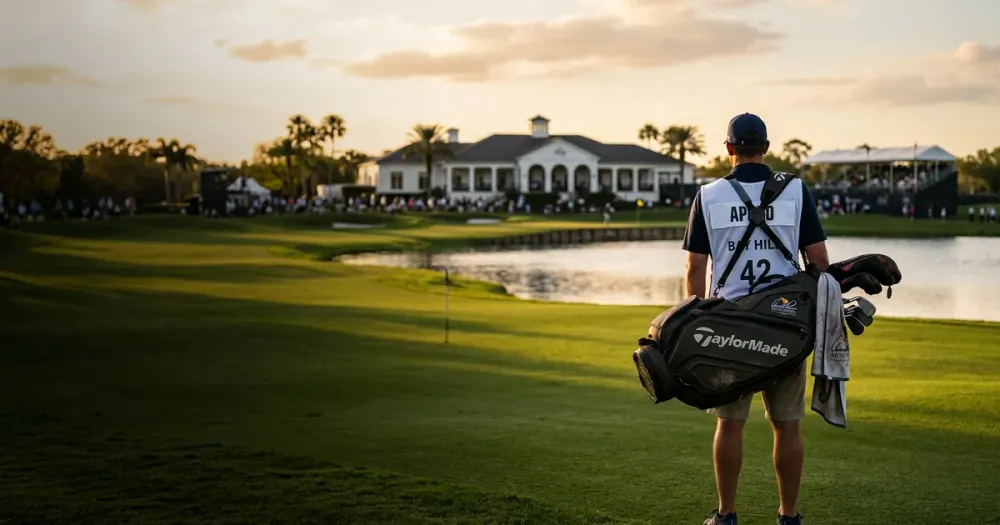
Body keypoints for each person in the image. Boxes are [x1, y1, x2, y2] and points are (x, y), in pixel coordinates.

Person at [681, 113, 830, 525]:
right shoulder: (796, 190)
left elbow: (695, 270)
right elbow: (818, 262)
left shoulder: (708, 194)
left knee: (730, 425)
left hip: (729, 327)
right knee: (787, 426)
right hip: (785, 324)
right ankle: (789, 516)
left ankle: (726, 515)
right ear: (765, 147)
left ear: (728, 148)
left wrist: (695, 321)